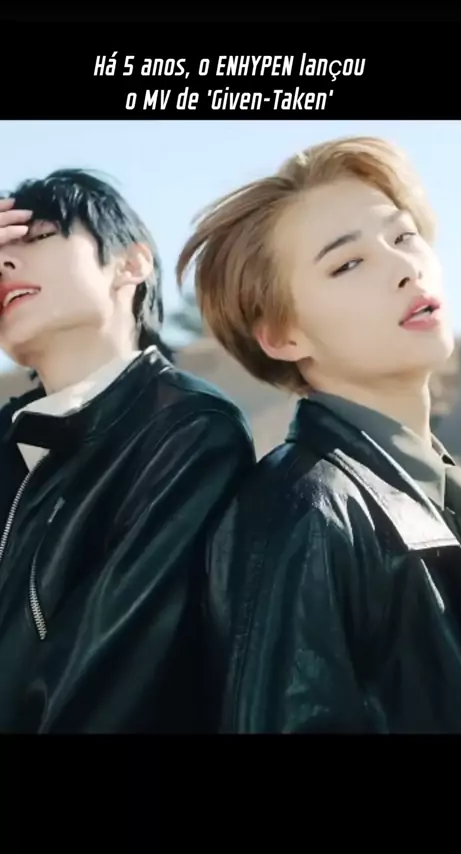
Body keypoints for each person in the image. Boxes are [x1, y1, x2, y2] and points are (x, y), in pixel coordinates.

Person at [177, 136, 461, 733]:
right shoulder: (305, 509)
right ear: (282, 336)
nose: (405, 268)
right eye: (348, 264)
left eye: (403, 236)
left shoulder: (436, 487)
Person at [0, 169, 254, 733]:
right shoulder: (12, 437)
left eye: (38, 237)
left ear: (130, 264)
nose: (6, 264)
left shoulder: (188, 430)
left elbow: (99, 688)